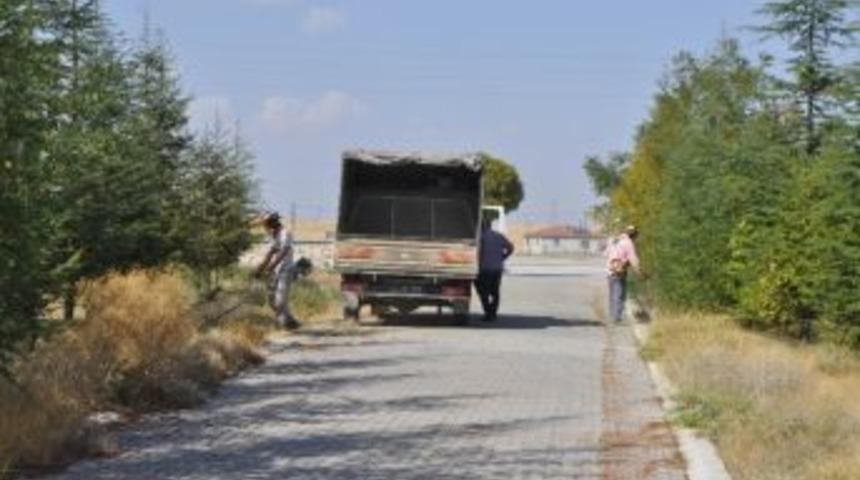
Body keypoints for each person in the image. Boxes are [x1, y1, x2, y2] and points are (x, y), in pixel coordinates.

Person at [254, 212, 299, 329]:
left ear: (273, 222)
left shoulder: (285, 233)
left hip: (286, 270)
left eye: (266, 224)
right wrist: (260, 269)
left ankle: (285, 325)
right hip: (276, 271)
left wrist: (270, 267)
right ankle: (291, 321)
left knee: (279, 300)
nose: (265, 227)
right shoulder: (273, 234)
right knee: (272, 300)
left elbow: (284, 252)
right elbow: (271, 252)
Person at [474, 219, 515, 322]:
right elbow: (510, 247)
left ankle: (488, 313)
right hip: (497, 268)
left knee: (483, 292)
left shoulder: (480, 238)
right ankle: (493, 313)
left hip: (484, 269)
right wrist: (502, 257)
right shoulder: (498, 236)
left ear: (481, 227)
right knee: (495, 292)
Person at [605, 225, 641, 323]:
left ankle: (613, 315)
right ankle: (616, 317)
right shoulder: (628, 243)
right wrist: (639, 271)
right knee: (620, 294)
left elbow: (606, 253)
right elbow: (633, 258)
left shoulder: (615, 240)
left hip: (609, 270)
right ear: (633, 234)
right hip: (619, 271)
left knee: (612, 294)